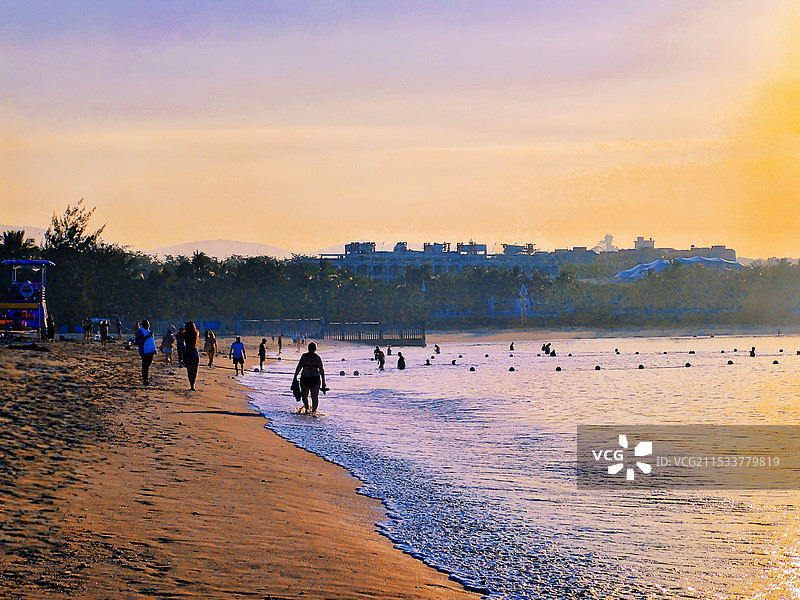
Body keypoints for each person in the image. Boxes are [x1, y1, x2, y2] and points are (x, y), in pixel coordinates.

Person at [293, 341, 326, 414]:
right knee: (314, 397)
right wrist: (323, 382)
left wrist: (295, 377)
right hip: (315, 379)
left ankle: (307, 407)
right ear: (315, 349)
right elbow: (321, 370)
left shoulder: (304, 356)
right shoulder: (317, 358)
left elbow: (299, 367)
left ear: (308, 348)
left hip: (305, 378)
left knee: (304, 396)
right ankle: (314, 412)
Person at [136, 319, 157, 385]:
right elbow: (139, 341)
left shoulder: (148, 331)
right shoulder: (141, 332)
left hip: (150, 352)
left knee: (147, 366)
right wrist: (148, 336)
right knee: (145, 366)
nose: (148, 326)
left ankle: (146, 379)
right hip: (145, 352)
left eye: (149, 324)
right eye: (147, 324)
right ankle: (145, 380)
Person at [183, 321, 200, 390]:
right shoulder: (195, 333)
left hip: (187, 351)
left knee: (189, 369)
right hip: (193, 350)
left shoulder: (185, 334)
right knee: (195, 368)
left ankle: (191, 384)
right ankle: (193, 384)